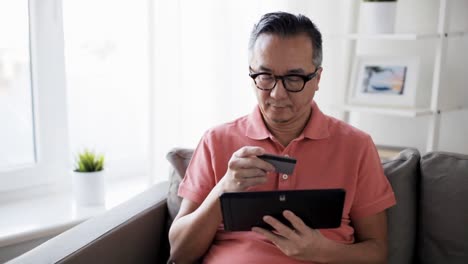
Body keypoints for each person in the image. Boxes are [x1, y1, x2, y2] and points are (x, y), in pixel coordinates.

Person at [168, 11, 396, 263]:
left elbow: (378, 251)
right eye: (265, 77)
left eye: (293, 78)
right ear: (252, 74)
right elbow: (179, 252)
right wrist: (223, 189)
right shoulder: (216, 141)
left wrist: (321, 250)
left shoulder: (356, 146)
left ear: (317, 78)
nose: (277, 94)